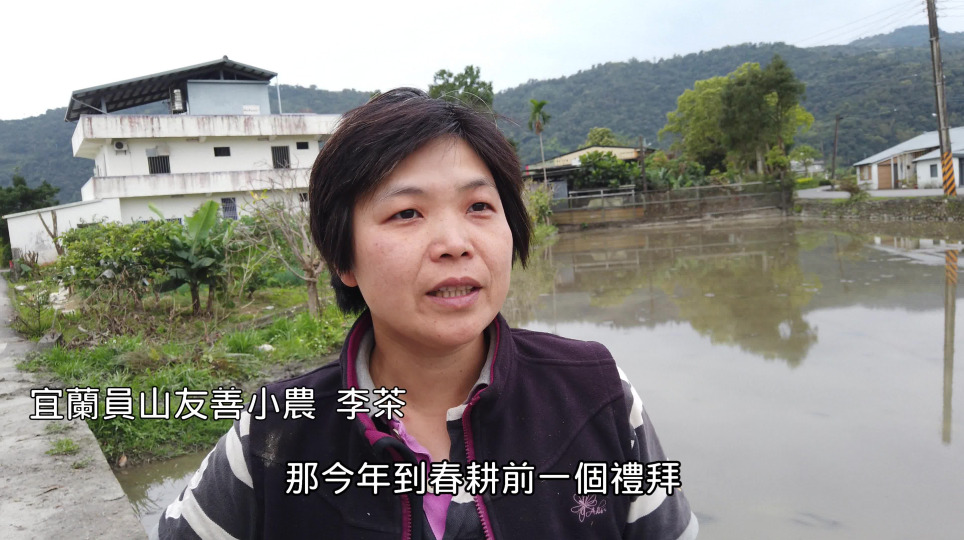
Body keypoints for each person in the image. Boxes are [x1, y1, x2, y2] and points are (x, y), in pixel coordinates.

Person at [158, 88, 697, 539]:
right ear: (343, 259)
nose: (454, 243)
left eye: (479, 206)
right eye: (407, 213)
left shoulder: (598, 393)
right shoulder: (275, 431)